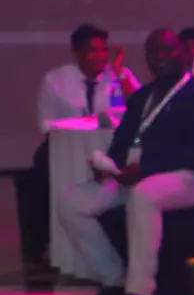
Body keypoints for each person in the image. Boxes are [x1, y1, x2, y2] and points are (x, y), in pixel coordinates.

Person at [61, 28, 194, 295]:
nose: (161, 57)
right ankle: (113, 280)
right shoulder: (142, 97)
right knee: (71, 202)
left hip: (190, 178)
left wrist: (146, 170)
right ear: (147, 59)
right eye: (154, 53)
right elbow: (123, 141)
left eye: (169, 50)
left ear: (183, 54)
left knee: (144, 194)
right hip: (136, 175)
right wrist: (108, 166)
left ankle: (140, 291)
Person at [23, 25, 139, 273]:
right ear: (77, 52)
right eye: (92, 51)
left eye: (103, 50)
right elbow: (47, 124)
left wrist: (120, 71)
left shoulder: (118, 74)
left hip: (112, 145)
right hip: (69, 144)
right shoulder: (56, 79)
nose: (100, 56)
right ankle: (39, 243)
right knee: (38, 170)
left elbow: (140, 108)